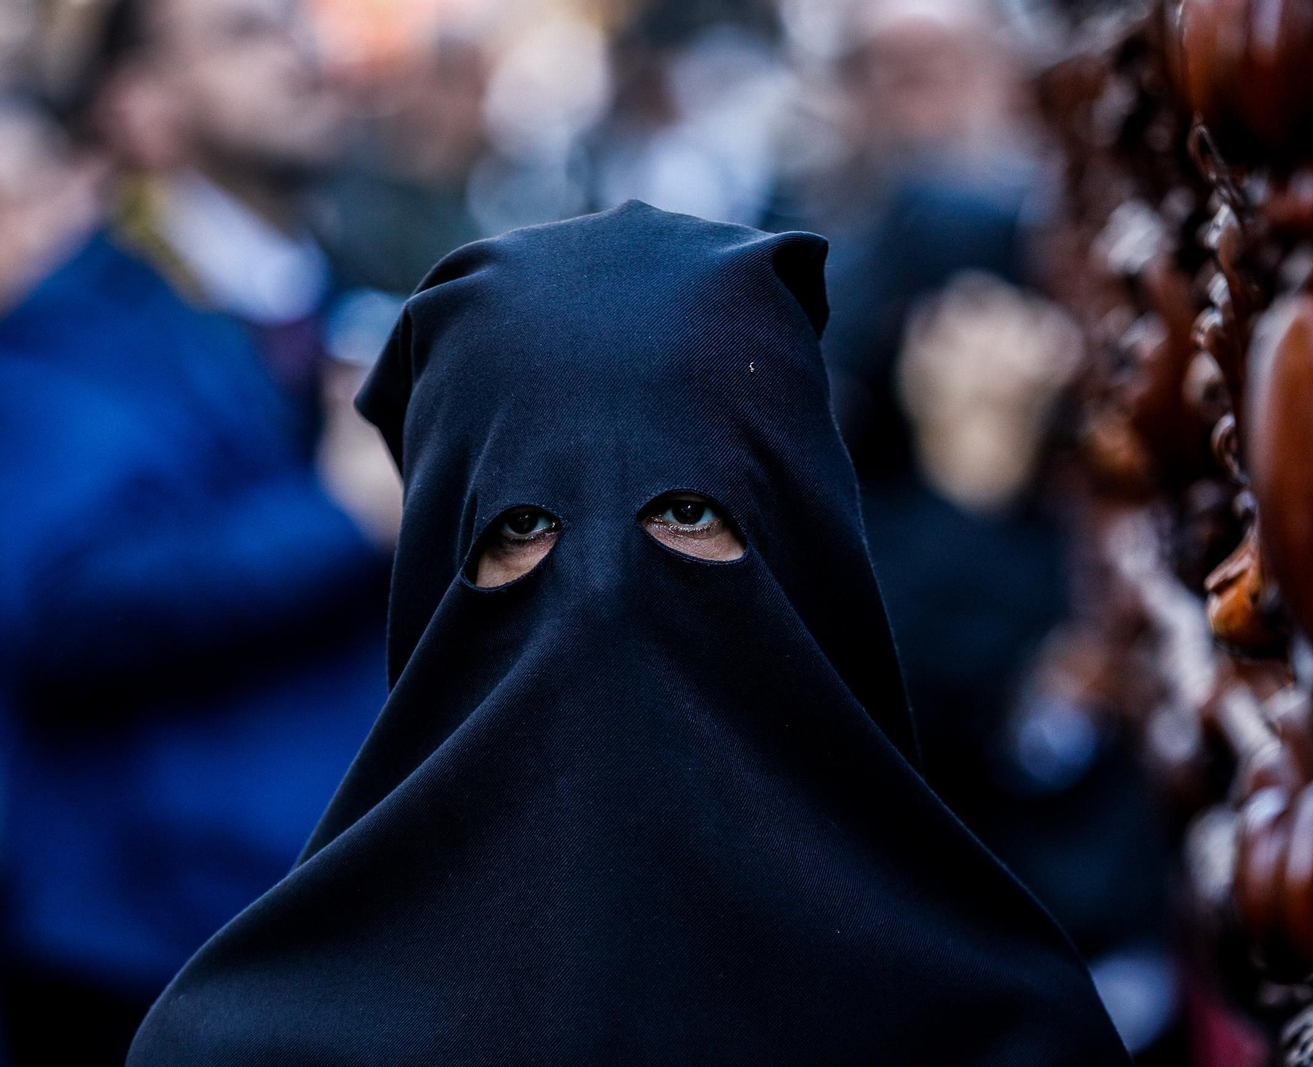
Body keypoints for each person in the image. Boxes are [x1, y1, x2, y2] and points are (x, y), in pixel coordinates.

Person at [127, 201, 1131, 1065]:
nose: (605, 589)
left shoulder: (992, 1024)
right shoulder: (249, 1039)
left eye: (688, 514)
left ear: (800, 539)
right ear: (438, 561)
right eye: (522, 528)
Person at [0, 0, 391, 1060]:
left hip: (341, 926)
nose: (297, 54)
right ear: (141, 106)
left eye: (293, 25)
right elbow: (68, 603)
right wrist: (342, 516)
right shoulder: (77, 329)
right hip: (149, 965)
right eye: (241, 32)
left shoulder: (368, 304)